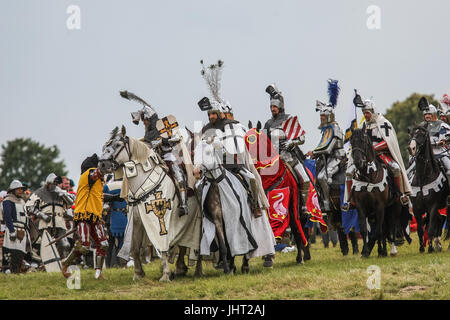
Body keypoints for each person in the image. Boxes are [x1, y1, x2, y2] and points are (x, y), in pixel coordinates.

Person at [125, 91, 190, 216]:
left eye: (145, 120)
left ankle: (183, 204)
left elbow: (176, 138)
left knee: (179, 176)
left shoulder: (164, 125)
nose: (144, 123)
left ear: (149, 118)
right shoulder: (148, 132)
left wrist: (162, 141)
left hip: (167, 155)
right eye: (143, 120)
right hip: (154, 158)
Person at [344, 94, 411, 208]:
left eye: (367, 113)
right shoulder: (364, 125)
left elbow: (388, 142)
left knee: (395, 168)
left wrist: (373, 148)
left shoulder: (384, 123)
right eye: (364, 113)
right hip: (366, 156)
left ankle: (401, 195)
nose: (365, 115)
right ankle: (351, 200)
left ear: (373, 111)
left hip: (382, 154)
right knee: (349, 172)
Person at [61, 154, 120, 280]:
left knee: (103, 244)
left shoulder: (96, 182)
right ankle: (65, 263)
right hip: (84, 215)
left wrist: (114, 197)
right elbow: (97, 172)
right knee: (84, 246)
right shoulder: (88, 174)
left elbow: (99, 195)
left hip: (95, 216)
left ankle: (98, 273)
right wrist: (107, 162)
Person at [263, 84, 311, 214]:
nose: (273, 109)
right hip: (273, 160)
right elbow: (263, 141)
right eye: (271, 107)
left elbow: (302, 138)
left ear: (280, 106)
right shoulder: (268, 123)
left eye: (275, 107)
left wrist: (291, 143)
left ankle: (304, 206)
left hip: (290, 158)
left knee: (305, 179)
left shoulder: (289, 119)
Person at [306, 79, 346, 212]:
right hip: (327, 157)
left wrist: (315, 153)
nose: (321, 118)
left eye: (323, 116)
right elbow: (321, 145)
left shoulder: (335, 128)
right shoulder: (325, 130)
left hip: (336, 157)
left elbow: (328, 148)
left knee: (322, 177)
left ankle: (326, 203)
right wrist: (313, 152)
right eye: (321, 116)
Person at [25, 173, 75, 258]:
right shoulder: (40, 192)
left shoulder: (61, 192)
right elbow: (28, 207)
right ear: (48, 183)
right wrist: (40, 214)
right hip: (45, 222)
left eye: (56, 183)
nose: (54, 185)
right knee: (45, 246)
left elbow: (70, 202)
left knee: (64, 245)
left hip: (59, 221)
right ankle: (45, 265)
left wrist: (62, 193)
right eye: (53, 183)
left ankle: (63, 265)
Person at [417, 97, 450, 202]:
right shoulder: (422, 126)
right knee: (410, 171)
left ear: (434, 115)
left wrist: (433, 143)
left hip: (439, 153)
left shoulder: (442, 125)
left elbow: (442, 141)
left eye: (429, 114)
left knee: (449, 170)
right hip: (424, 154)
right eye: (425, 115)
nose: (427, 116)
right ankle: (408, 194)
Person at [2, 180, 31, 273]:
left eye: (21, 189)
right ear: (13, 190)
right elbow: (7, 216)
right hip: (14, 228)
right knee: (14, 253)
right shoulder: (8, 200)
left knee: (21, 253)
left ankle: (17, 272)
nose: (20, 191)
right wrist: (11, 230)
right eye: (18, 189)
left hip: (22, 229)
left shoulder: (22, 201)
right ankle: (12, 272)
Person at [103, 176, 127, 268]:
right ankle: (119, 264)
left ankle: (114, 264)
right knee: (119, 242)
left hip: (114, 217)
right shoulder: (128, 184)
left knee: (112, 243)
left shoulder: (108, 186)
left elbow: (104, 203)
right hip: (120, 216)